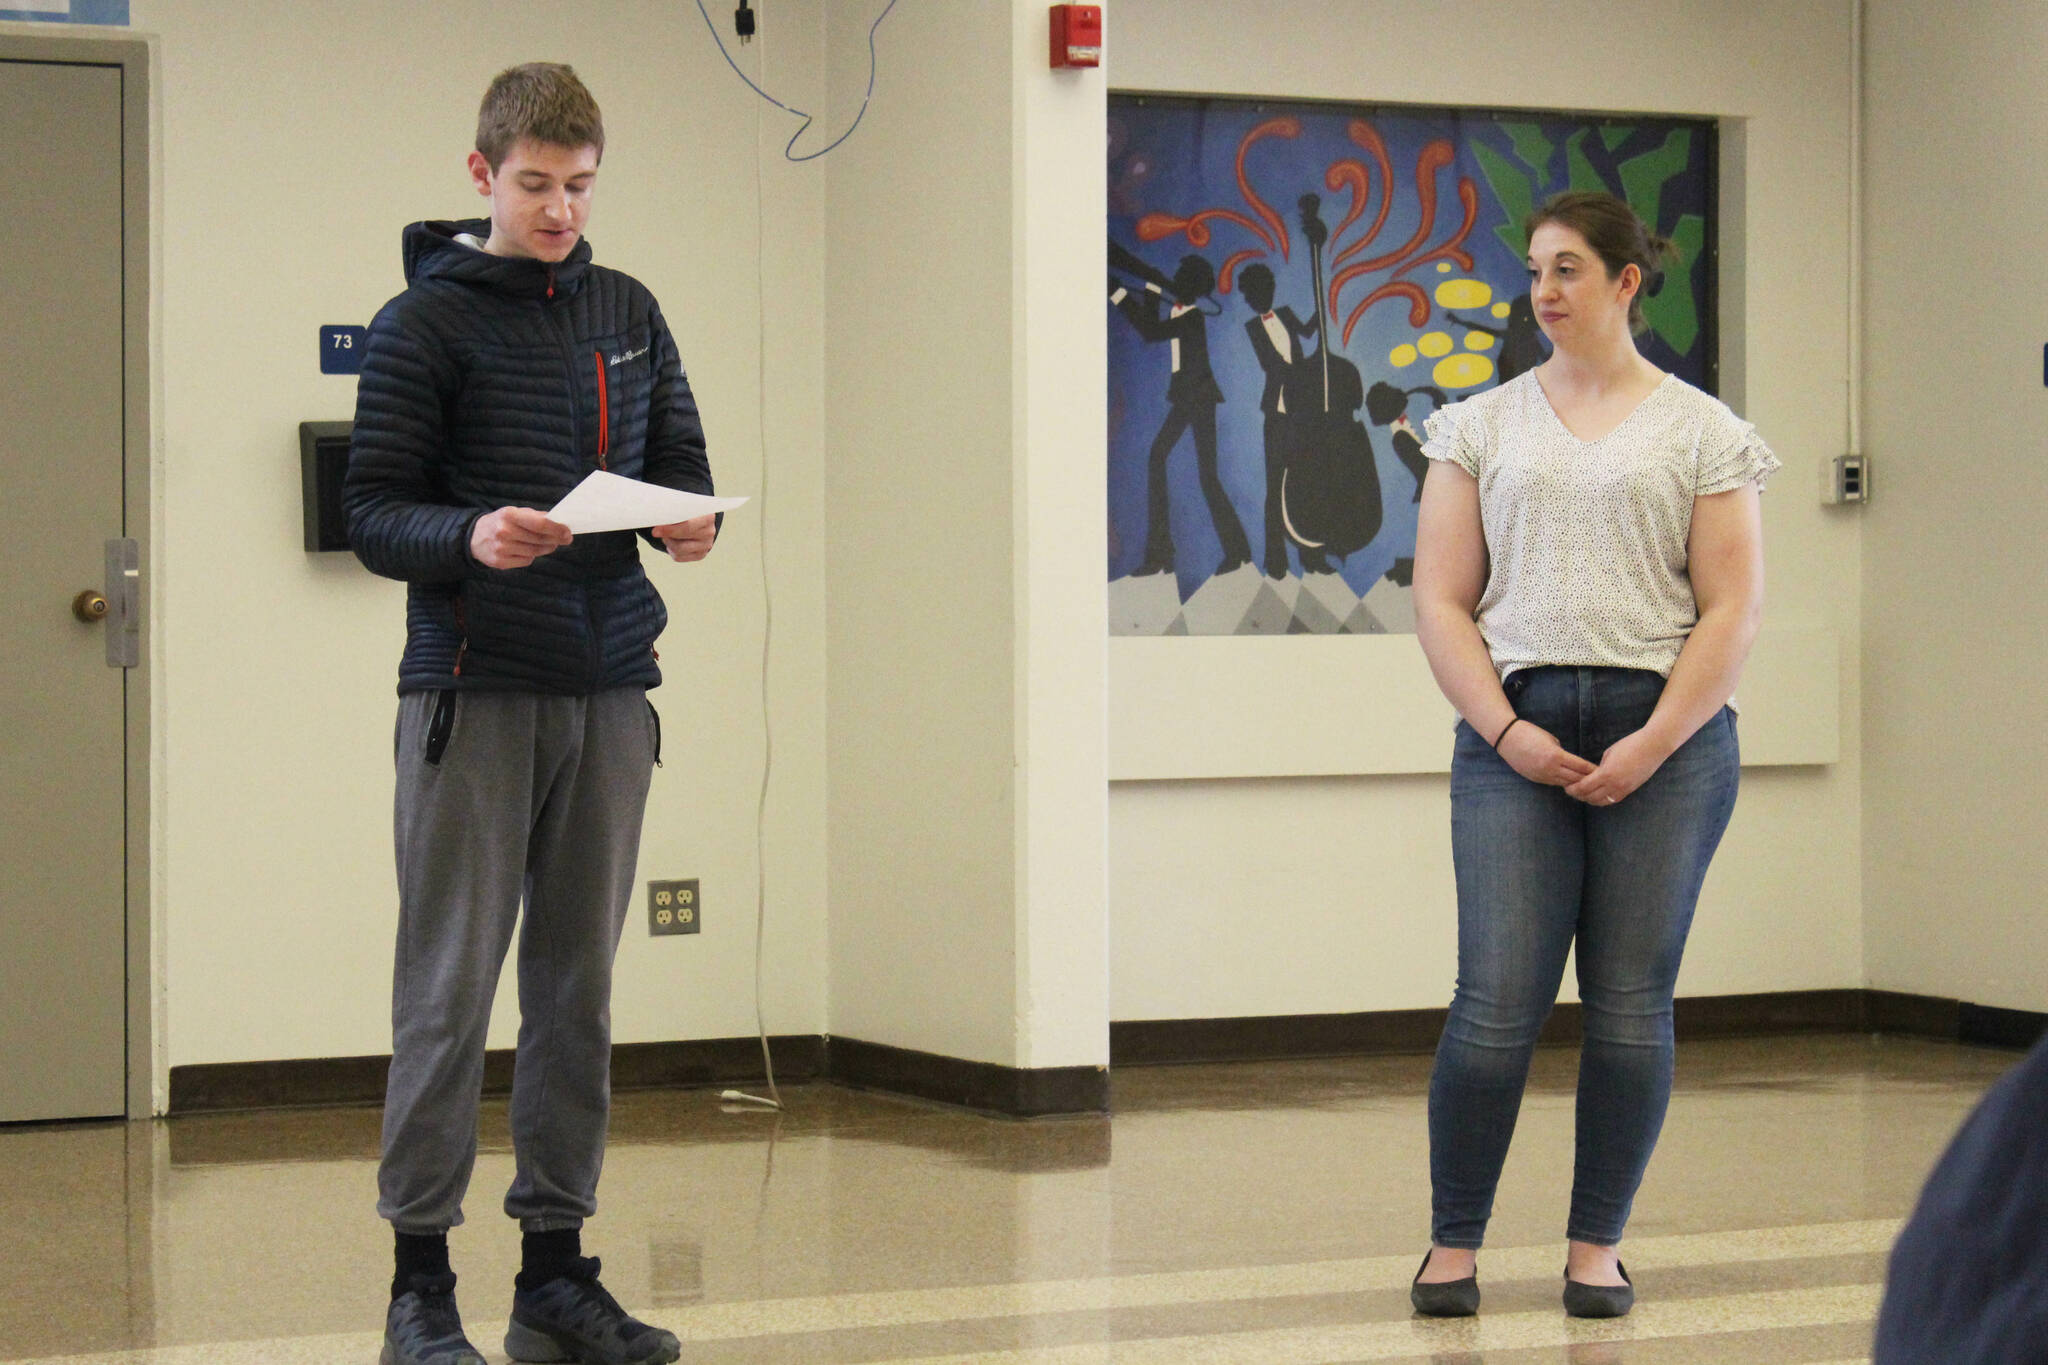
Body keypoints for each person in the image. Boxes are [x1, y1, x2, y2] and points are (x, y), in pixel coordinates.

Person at [344, 62, 713, 1365]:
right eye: (537, 186)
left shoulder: (629, 309)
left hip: (609, 688)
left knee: (579, 994)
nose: (561, 211)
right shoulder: (422, 325)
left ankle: (555, 1274)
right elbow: (373, 512)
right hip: (471, 690)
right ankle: (420, 1289)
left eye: (581, 187)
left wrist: (690, 523)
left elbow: (691, 484)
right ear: (482, 177)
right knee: (447, 992)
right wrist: (470, 533)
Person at [1407, 190, 1778, 1319]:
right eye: (1533, 272)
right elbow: (1439, 597)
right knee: (1494, 1000)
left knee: (1626, 1005)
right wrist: (1506, 732)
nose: (1543, 293)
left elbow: (1728, 611)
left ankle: (1593, 1250)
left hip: (1662, 742)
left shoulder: (1702, 431)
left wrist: (1650, 743)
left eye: (1566, 270)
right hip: (1511, 732)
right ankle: (1451, 1247)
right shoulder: (1479, 424)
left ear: (1625, 282)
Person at [1111, 253, 1253, 577]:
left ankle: (1171, 554)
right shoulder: (1184, 314)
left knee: (1182, 467)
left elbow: (1150, 331)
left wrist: (1122, 294)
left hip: (1196, 399)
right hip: (1191, 398)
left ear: (1191, 286)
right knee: (1186, 468)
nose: (1175, 283)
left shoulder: (1191, 318)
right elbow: (1152, 328)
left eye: (1182, 279)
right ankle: (1171, 554)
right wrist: (1142, 293)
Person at [1237, 263, 1322, 578]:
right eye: (1254, 294)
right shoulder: (1253, 328)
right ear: (1250, 297)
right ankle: (1276, 561)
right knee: (1275, 488)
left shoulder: (1285, 314)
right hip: (1278, 413)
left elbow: (1310, 332)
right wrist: (1303, 373)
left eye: (1265, 290)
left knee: (1304, 484)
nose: (1260, 297)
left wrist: (1320, 308)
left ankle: (1311, 557)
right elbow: (1273, 364)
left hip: (1302, 412)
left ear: (1271, 290)